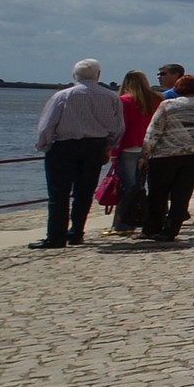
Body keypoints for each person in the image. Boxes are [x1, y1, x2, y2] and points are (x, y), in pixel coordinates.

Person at [31, 59, 124, 250]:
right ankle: (76, 233)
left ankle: (56, 237)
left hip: (65, 147)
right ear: (98, 75)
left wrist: (45, 145)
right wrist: (108, 146)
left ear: (75, 75)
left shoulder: (63, 96)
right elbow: (118, 127)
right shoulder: (110, 97)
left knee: (58, 194)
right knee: (84, 193)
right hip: (95, 147)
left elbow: (47, 125)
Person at [139, 75, 194, 242]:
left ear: (178, 88)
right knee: (182, 194)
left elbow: (153, 131)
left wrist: (145, 155)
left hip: (165, 154)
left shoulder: (168, 105)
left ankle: (151, 229)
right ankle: (170, 231)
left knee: (157, 193)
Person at [108, 69, 159, 235]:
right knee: (139, 186)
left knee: (127, 187)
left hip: (128, 148)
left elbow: (119, 129)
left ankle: (124, 223)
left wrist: (113, 152)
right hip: (148, 149)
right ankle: (138, 218)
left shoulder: (124, 101)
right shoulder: (156, 100)